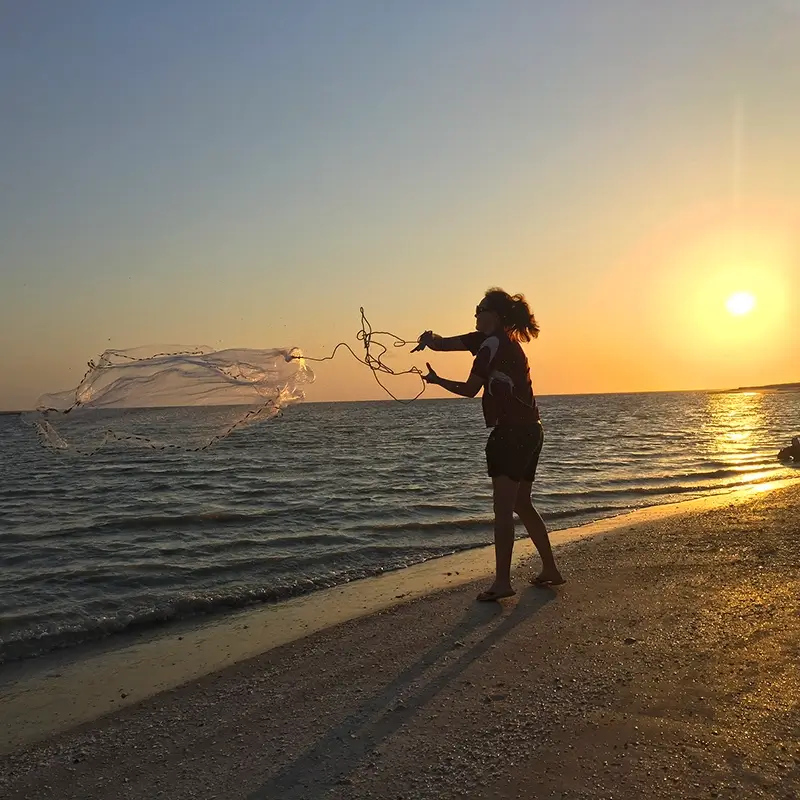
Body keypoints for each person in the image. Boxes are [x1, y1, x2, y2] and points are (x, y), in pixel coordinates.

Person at [413, 287, 564, 601]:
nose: (475, 313)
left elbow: (470, 389)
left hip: (511, 434)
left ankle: (502, 583)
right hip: (533, 430)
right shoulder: (492, 341)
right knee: (522, 503)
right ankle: (550, 569)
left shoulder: (491, 344)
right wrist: (430, 340)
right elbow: (444, 344)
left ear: (494, 314)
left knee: (503, 510)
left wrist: (439, 381)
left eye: (479, 309)